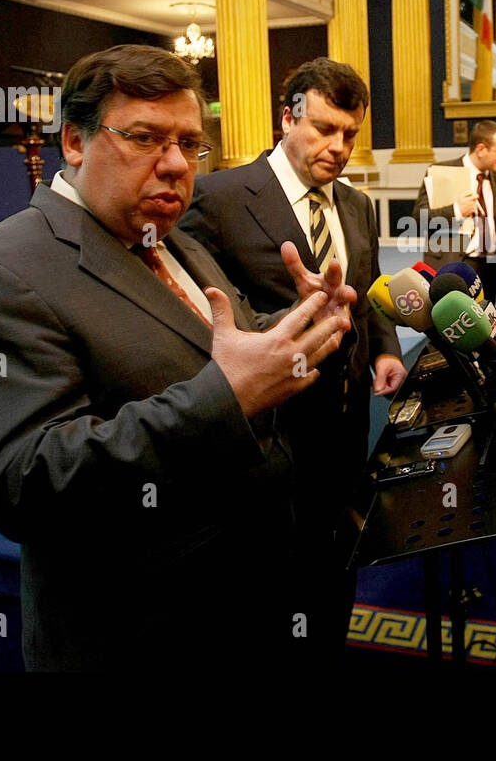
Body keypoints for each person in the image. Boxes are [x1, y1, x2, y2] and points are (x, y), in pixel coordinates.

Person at [0, 45, 353, 670]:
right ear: (74, 142)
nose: (176, 164)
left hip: (249, 594)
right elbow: (27, 485)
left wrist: (297, 324)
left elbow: (210, 345)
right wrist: (227, 398)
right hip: (140, 630)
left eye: (189, 142)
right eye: (146, 138)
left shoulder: (170, 237)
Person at [178, 56, 403, 660]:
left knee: (337, 562)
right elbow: (203, 315)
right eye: (324, 128)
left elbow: (369, 291)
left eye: (350, 134)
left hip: (347, 426)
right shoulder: (218, 197)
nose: (339, 146)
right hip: (269, 435)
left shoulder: (355, 205)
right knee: (273, 584)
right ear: (287, 118)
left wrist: (383, 349)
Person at [411, 119, 496, 300]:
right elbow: (419, 220)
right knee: (453, 319)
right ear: (481, 149)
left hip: (492, 265)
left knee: (486, 321)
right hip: (456, 262)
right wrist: (456, 211)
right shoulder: (440, 171)